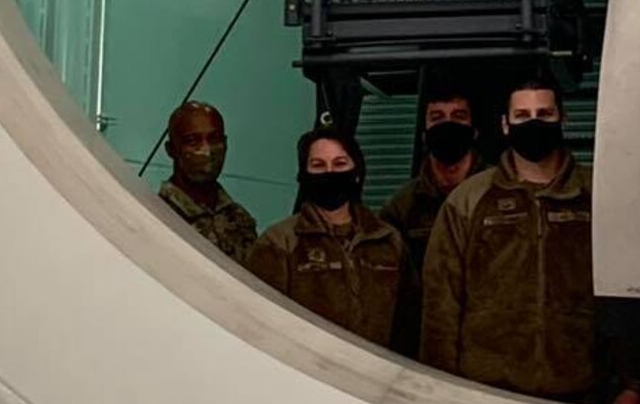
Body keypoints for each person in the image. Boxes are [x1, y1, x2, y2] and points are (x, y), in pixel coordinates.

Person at [421, 79, 640, 404]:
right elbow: (441, 304)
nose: (534, 123)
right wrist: (442, 392)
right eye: (522, 115)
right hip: (489, 396)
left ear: (562, 121)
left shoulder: (598, 196)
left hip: (582, 395)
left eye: (544, 113)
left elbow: (629, 293)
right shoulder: (468, 201)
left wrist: (633, 383)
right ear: (505, 125)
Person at [245, 126, 419, 356]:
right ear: (303, 175)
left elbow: (411, 319)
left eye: (339, 164)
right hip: (305, 376)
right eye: (318, 165)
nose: (330, 173)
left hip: (378, 378)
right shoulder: (279, 243)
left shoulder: (388, 240)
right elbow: (259, 325)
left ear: (356, 171)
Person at [379, 83, 480, 270]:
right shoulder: (401, 208)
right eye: (437, 117)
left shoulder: (498, 190)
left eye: (458, 116)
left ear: (474, 131)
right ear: (424, 135)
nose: (447, 124)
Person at [156, 100, 258, 263]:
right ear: (171, 150)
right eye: (193, 141)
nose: (207, 150)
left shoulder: (239, 219)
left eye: (214, 139)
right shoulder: (157, 215)